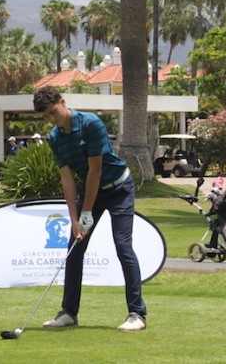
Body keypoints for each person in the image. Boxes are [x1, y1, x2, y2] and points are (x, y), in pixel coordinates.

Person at [32, 86, 146, 332]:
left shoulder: (91, 124)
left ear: (63, 102)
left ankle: (137, 313)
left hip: (118, 189)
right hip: (90, 191)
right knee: (75, 247)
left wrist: (86, 214)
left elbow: (96, 171)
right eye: (47, 117)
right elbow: (67, 180)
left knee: (123, 245)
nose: (52, 119)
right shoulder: (54, 137)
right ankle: (69, 312)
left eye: (54, 112)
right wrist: (75, 221)